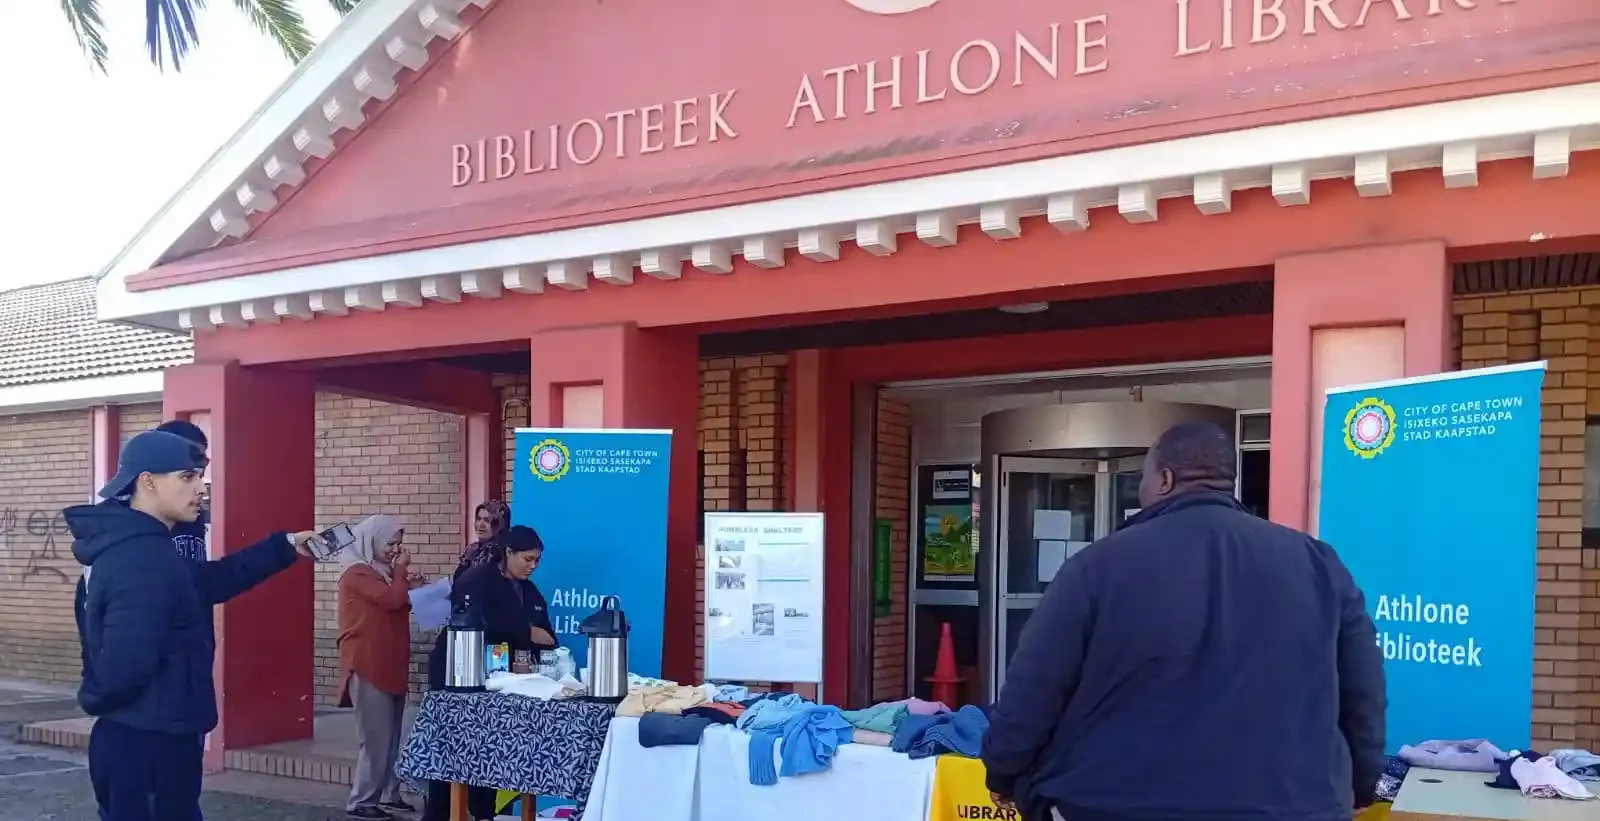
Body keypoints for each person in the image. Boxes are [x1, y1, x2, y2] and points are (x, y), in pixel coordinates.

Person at [982, 421, 1386, 821]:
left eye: (1143, 478)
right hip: (1296, 803)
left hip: (1116, 801)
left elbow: (1034, 688)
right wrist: (1362, 780)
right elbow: (1362, 689)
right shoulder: (1318, 565)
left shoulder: (1096, 568)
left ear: (1164, 479)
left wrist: (1002, 770)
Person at [68, 430, 322, 821]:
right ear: (147, 481)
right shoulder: (143, 557)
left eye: (200, 476)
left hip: (151, 734)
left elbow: (207, 582)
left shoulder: (148, 546)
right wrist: (99, 700)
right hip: (147, 742)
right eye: (187, 477)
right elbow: (125, 660)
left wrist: (284, 547)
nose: (200, 488)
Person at [423, 524, 558, 821]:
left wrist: (540, 639)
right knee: (452, 754)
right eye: (527, 559)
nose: (533, 566)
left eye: (537, 561)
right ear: (508, 552)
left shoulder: (529, 591)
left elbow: (545, 633)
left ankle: (483, 813)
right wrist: (525, 631)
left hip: (500, 685)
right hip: (457, 678)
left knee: (491, 754)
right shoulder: (478, 579)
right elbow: (471, 620)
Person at [337, 514, 425, 820]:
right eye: (390, 543)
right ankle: (361, 800)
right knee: (376, 738)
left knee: (391, 737)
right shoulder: (357, 573)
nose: (395, 549)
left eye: (398, 543)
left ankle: (389, 793)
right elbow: (389, 601)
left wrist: (409, 584)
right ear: (371, 540)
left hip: (391, 663)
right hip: (368, 663)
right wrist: (401, 573)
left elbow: (399, 602)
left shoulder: (382, 574)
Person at [454, 499, 510, 581]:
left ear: (500, 524)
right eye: (479, 519)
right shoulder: (471, 550)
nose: (480, 525)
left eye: (487, 520)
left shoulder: (504, 553)